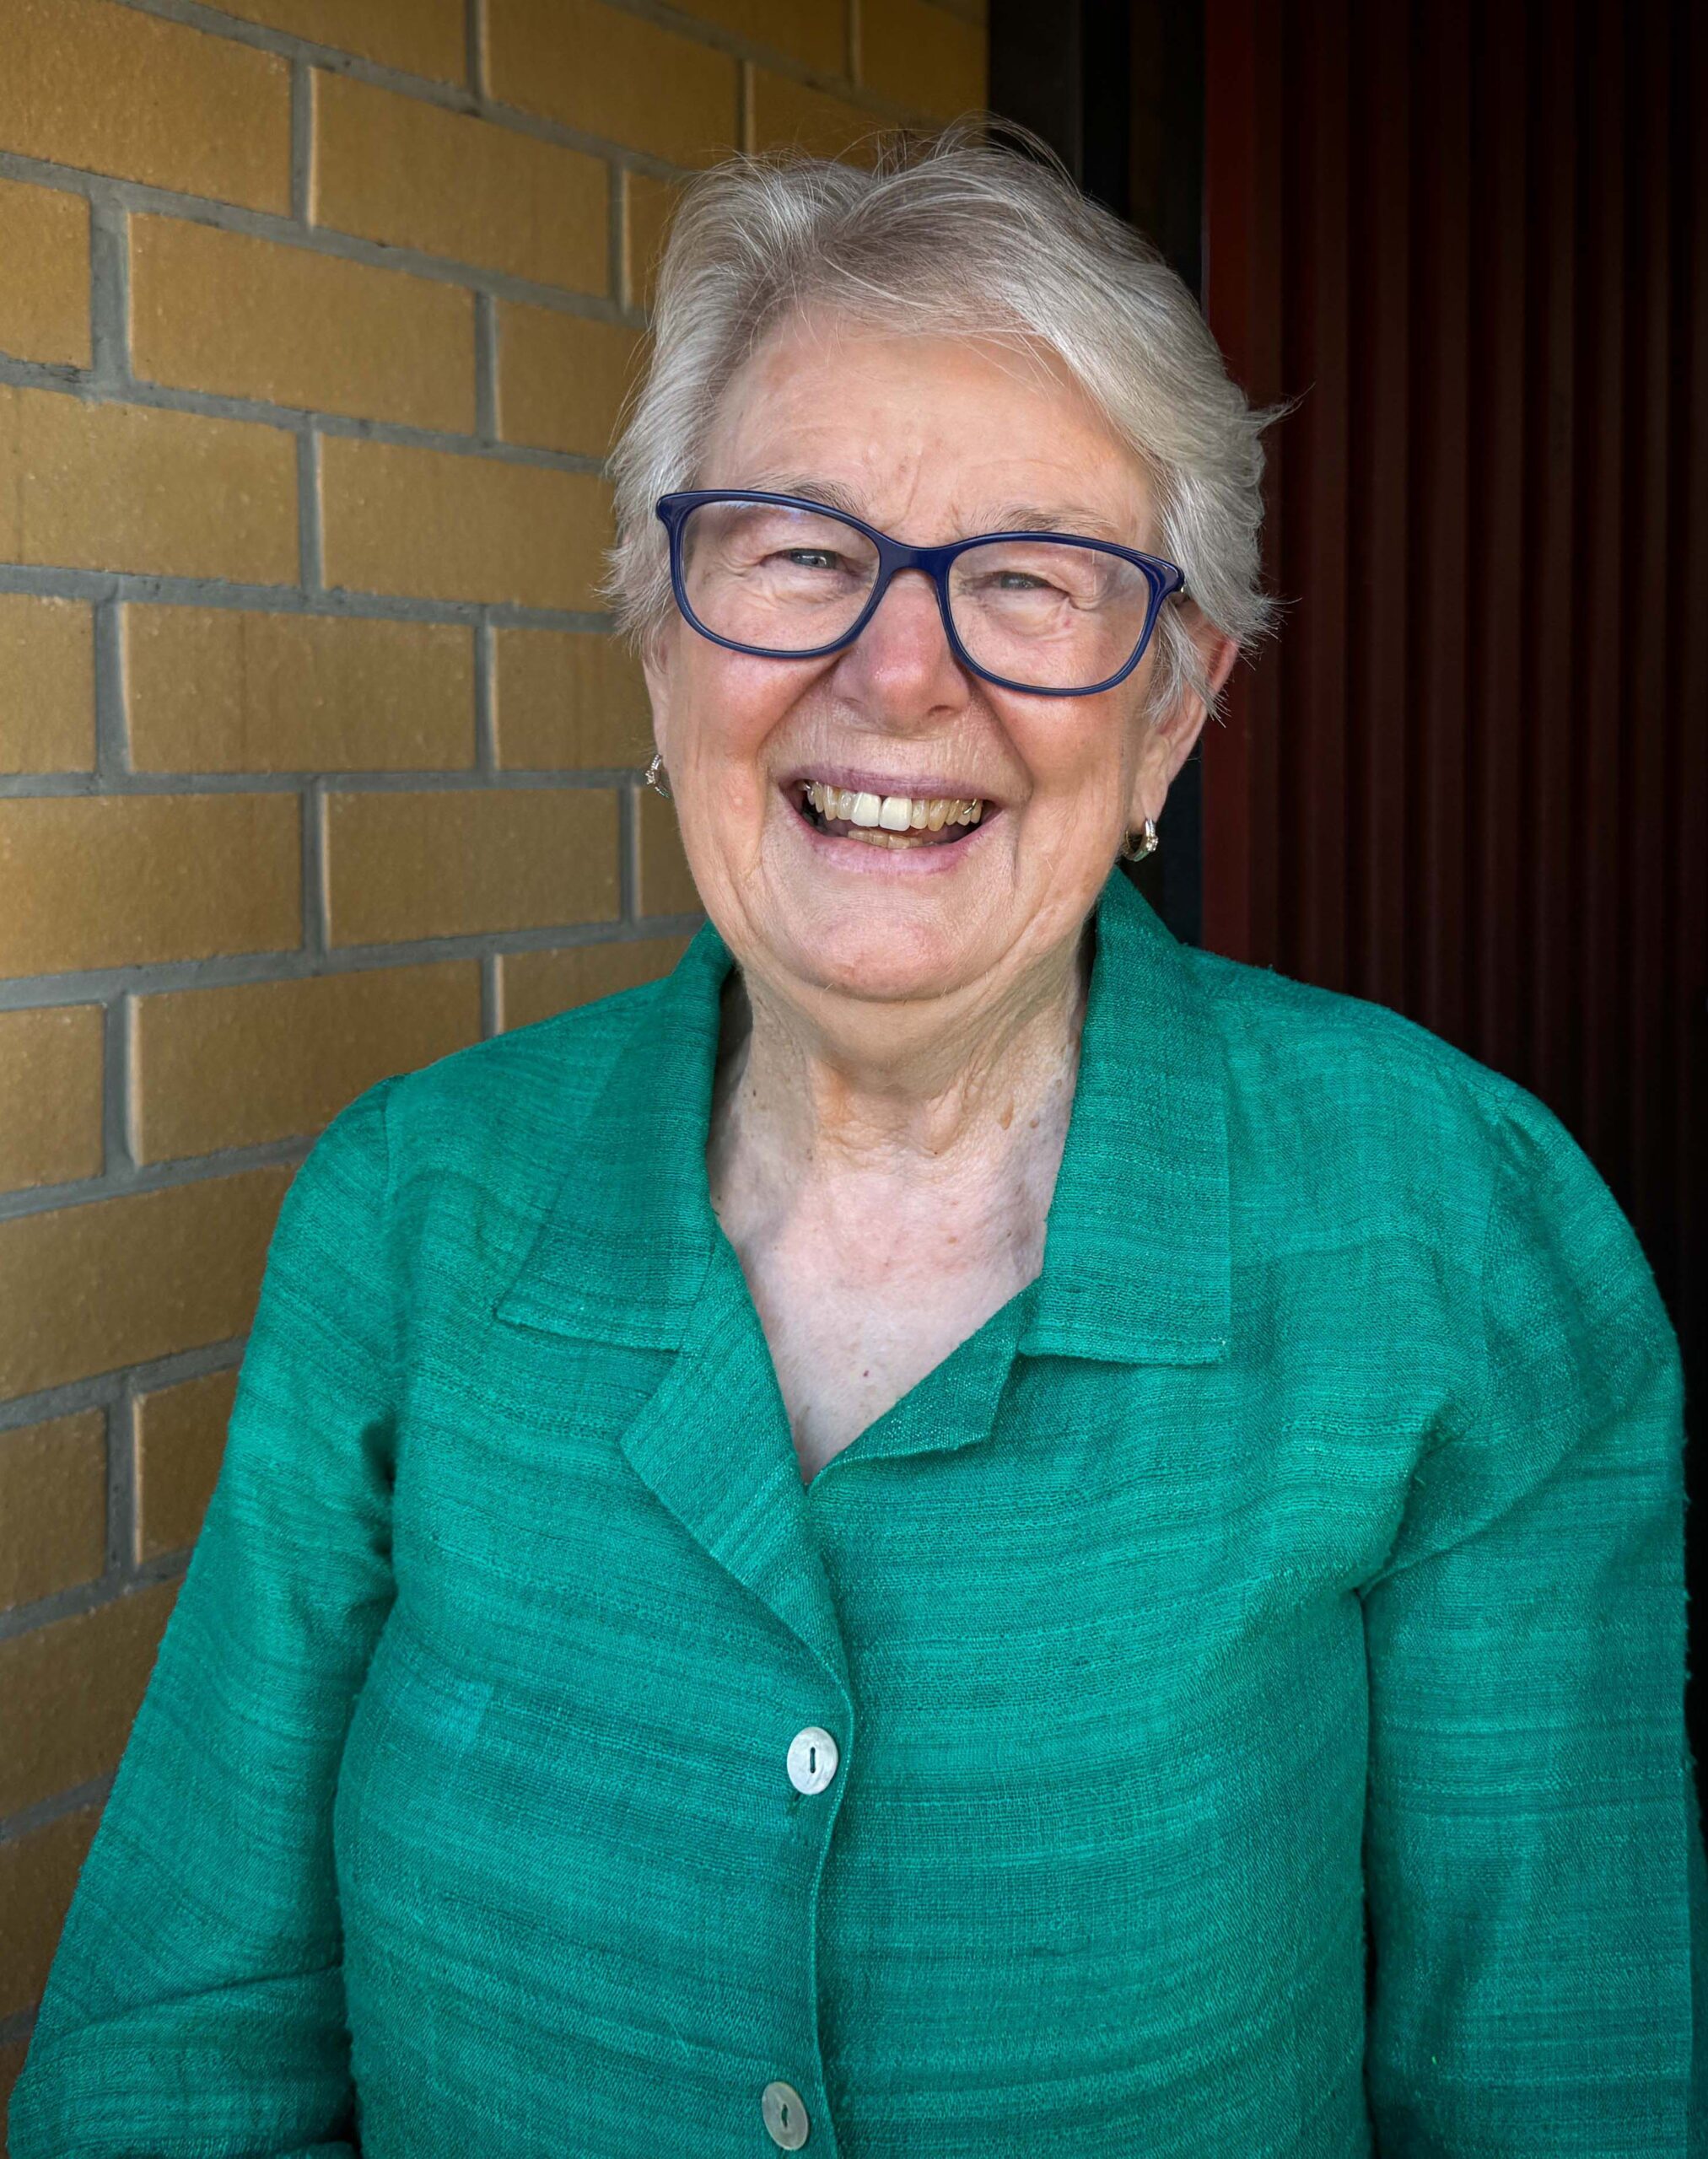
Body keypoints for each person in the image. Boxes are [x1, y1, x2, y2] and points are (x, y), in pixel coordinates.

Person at [12, 123, 1704, 2158]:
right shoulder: (410, 1214)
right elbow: (183, 2047)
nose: (899, 674)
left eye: (1028, 580)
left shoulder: (1450, 1231)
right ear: (662, 638)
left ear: (1169, 713)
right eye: (802, 555)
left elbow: (1556, 2080)